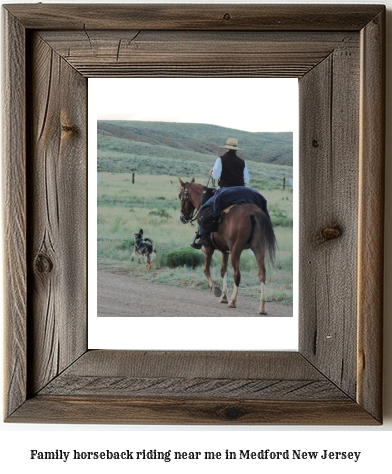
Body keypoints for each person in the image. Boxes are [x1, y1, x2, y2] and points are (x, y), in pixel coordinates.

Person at [190, 137, 249, 249]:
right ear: (236, 149)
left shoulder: (220, 159)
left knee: (205, 208)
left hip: (226, 190)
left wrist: (212, 171)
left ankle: (203, 236)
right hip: (243, 191)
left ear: (226, 148)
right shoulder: (242, 162)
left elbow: (216, 176)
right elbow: (246, 180)